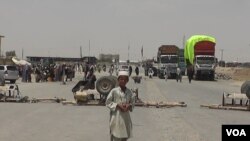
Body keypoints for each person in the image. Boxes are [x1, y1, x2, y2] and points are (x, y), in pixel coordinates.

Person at [106, 71, 136, 141]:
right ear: (118, 80)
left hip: (125, 118)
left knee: (124, 136)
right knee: (116, 135)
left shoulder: (129, 92)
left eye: (125, 79)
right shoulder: (114, 91)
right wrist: (117, 105)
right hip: (116, 117)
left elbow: (133, 103)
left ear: (127, 81)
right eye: (121, 79)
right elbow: (108, 102)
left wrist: (129, 106)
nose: (123, 81)